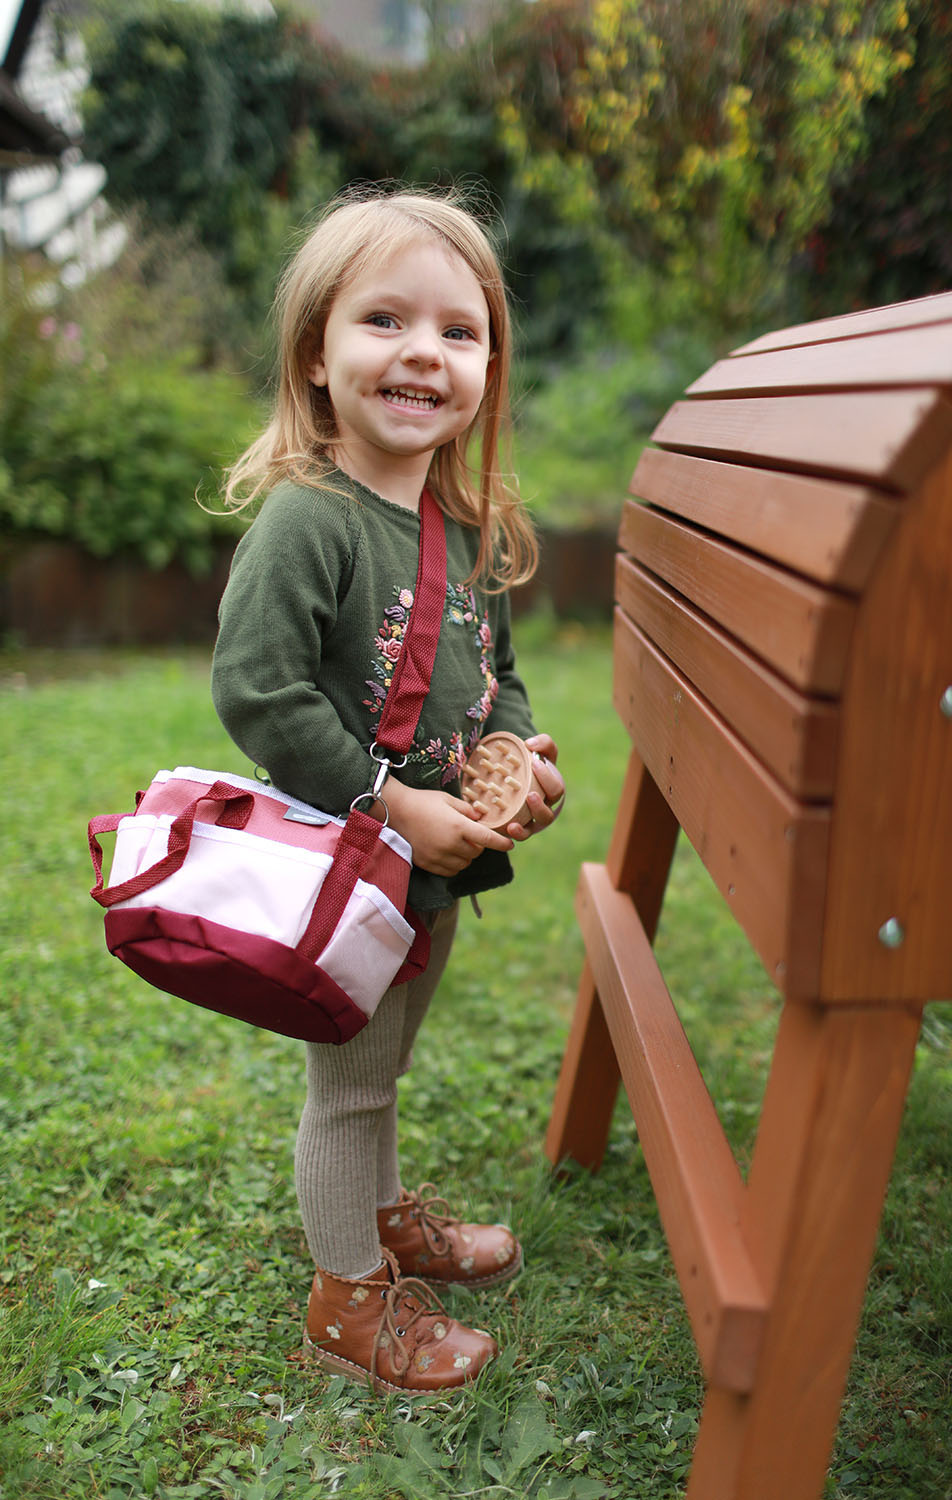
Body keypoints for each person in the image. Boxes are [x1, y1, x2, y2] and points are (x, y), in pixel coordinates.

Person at [210, 188, 565, 1394]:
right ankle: (348, 1293)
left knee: (386, 1063)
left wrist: (516, 763)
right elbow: (258, 690)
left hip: (437, 864)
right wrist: (388, 798)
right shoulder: (307, 521)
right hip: (351, 857)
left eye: (459, 332)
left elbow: (498, 680)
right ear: (318, 354)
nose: (424, 351)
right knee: (350, 1082)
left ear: (487, 367)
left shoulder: (465, 526)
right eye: (383, 321)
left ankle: (381, 1222)